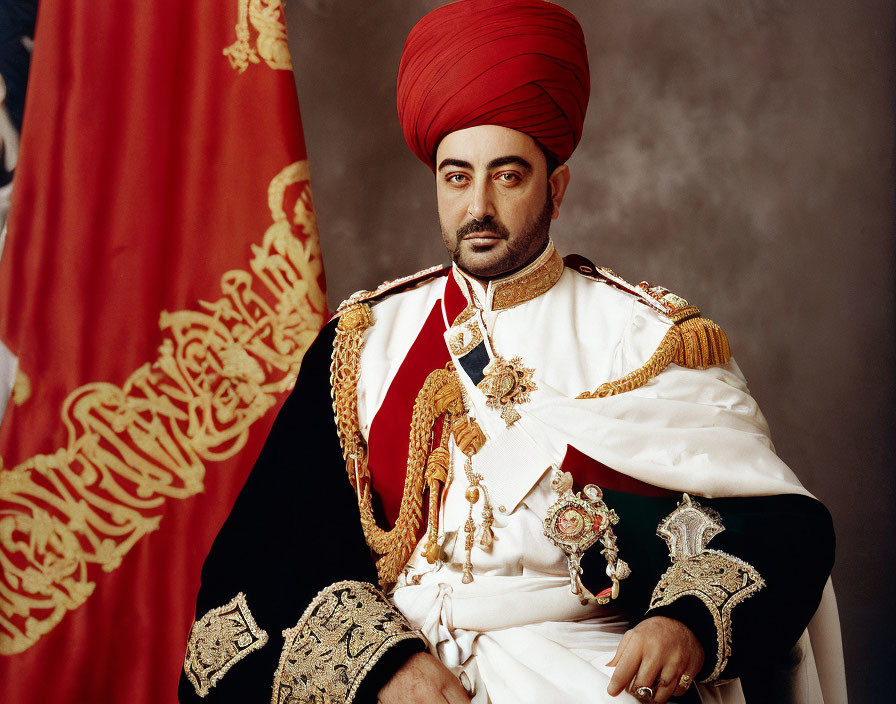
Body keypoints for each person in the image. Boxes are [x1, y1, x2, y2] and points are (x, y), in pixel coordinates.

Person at [179, 2, 841, 703]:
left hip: (583, 667)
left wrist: (685, 624)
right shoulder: (362, 344)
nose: (479, 208)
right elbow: (272, 550)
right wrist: (384, 664)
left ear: (556, 185)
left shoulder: (646, 337)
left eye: (509, 175)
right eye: (457, 177)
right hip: (406, 667)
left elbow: (780, 527)